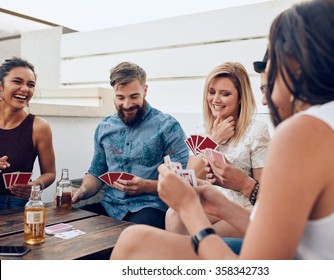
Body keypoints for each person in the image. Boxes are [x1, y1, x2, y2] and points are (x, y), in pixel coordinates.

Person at [111, 0, 334, 259]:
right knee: (137, 239)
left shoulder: (307, 132)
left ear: (294, 64)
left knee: (132, 243)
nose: (267, 92)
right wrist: (222, 206)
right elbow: (292, 232)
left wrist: (189, 208)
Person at [72, 61, 189, 229]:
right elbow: (96, 172)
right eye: (120, 98)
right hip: (109, 206)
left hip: (151, 207)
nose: (127, 105)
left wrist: (146, 186)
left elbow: (183, 181)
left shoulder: (168, 127)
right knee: (72, 229)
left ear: (145, 90)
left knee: (131, 237)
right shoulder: (104, 128)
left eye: (134, 96)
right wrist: (81, 192)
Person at [166, 62, 270, 237]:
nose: (215, 100)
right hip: (210, 202)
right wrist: (213, 139)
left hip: (241, 207)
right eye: (212, 92)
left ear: (240, 97)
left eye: (225, 94)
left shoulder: (257, 131)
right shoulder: (203, 129)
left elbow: (263, 192)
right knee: (173, 214)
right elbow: (190, 176)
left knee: (205, 237)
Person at [0, 57, 56, 210]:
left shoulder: (39, 126)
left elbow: (50, 172)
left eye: (30, 85)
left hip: (18, 204)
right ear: (1, 86)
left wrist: (36, 185)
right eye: (17, 82)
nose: (25, 89)